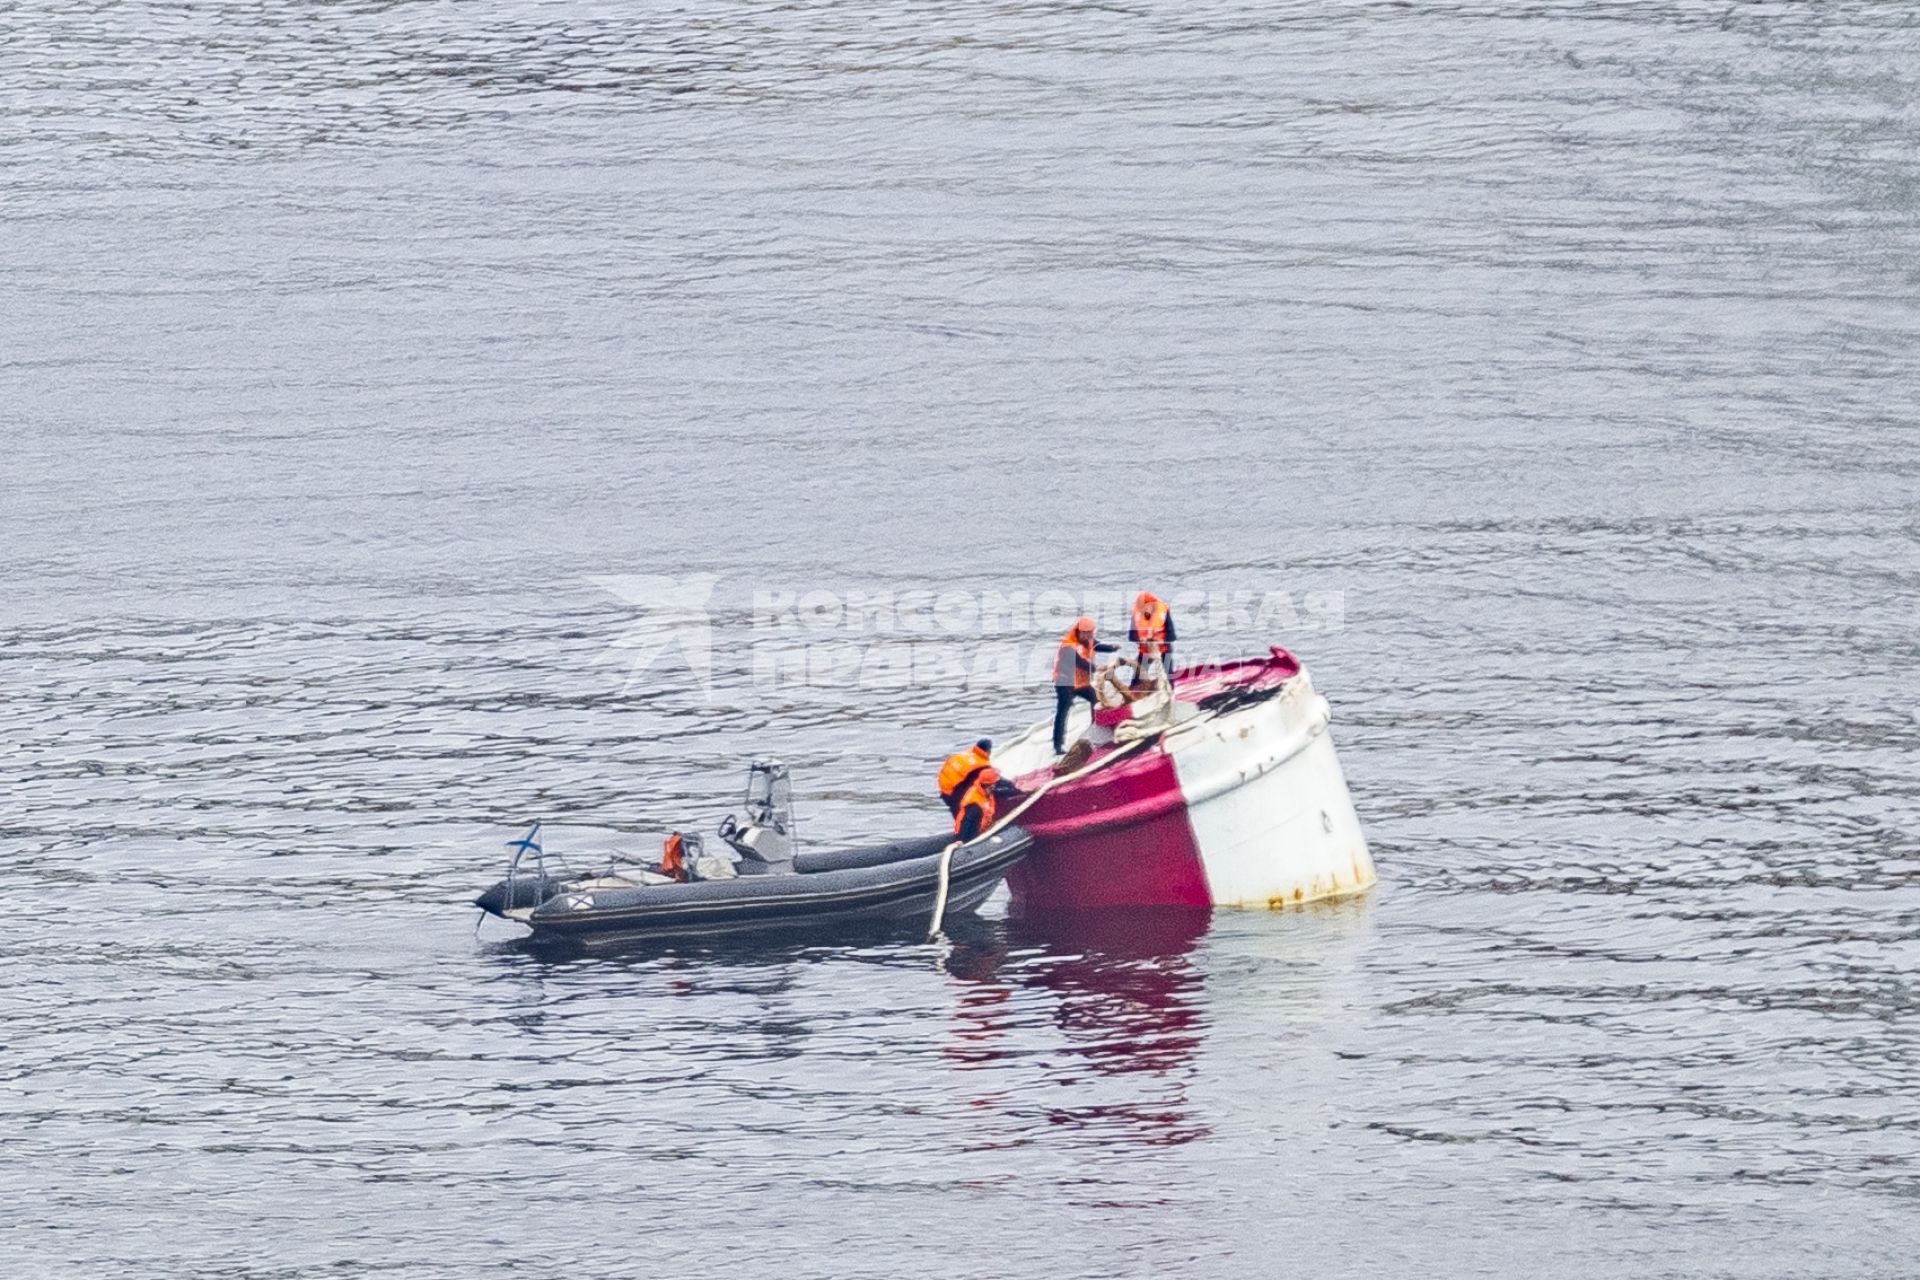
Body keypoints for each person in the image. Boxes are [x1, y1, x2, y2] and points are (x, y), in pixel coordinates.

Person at [1052, 615, 1118, 754]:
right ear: (1078, 631)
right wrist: (1096, 668)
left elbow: (1097, 645)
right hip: (1065, 683)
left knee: (1096, 700)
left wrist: (1112, 648)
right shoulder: (1068, 646)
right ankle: (1058, 746)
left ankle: (1096, 729)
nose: (1088, 636)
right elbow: (1080, 663)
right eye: (1085, 633)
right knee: (1063, 712)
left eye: (1090, 633)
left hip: (1081, 683)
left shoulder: (1088, 639)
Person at [937, 738, 994, 818]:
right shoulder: (981, 765)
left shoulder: (966, 754)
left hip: (944, 789)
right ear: (988, 751)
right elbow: (990, 780)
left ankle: (959, 825)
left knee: (958, 815)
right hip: (954, 792)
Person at [1129, 591, 1176, 686]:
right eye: (1141, 609)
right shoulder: (1136, 613)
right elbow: (1131, 636)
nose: (1143, 611)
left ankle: (1171, 693)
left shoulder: (1163, 611)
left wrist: (1161, 641)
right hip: (1145, 650)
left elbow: (1172, 636)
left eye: (1145, 608)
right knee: (1136, 680)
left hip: (1163, 649)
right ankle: (1133, 694)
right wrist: (1140, 639)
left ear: (1152, 604)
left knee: (1168, 677)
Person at [953, 764, 1001, 841]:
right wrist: (961, 841)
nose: (996, 785)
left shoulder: (985, 791)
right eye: (995, 783)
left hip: (980, 829)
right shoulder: (974, 804)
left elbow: (1000, 792)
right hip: (969, 834)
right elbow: (966, 822)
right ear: (991, 785)